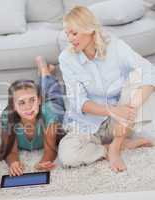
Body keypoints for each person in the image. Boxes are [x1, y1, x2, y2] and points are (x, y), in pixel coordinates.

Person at [57, 6, 155, 173]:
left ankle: (116, 146)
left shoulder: (116, 46)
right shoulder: (66, 58)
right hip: (87, 123)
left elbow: (149, 71)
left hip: (119, 123)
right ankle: (109, 147)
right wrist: (112, 110)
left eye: (74, 33)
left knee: (139, 83)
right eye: (67, 34)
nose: (70, 39)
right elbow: (78, 102)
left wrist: (129, 108)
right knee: (68, 156)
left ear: (89, 30)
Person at [0, 56, 65, 176]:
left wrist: (44, 162)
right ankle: (44, 73)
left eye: (32, 100)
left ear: (39, 100)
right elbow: (11, 150)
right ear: (14, 106)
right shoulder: (8, 118)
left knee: (53, 93)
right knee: (44, 91)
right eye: (21, 102)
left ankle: (44, 70)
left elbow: (50, 150)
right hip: (42, 105)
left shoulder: (49, 114)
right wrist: (14, 162)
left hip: (52, 107)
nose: (28, 107)